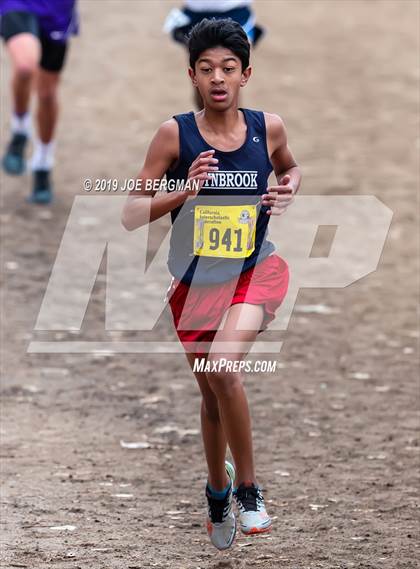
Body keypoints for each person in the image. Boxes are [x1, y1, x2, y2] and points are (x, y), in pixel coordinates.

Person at [122, 18, 301, 550]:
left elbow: (291, 169)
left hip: (255, 272)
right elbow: (132, 213)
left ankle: (248, 489)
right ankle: (217, 489)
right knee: (211, 395)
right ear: (192, 75)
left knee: (224, 368)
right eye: (206, 69)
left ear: (246, 73)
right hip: (195, 286)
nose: (217, 78)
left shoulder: (268, 127)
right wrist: (184, 191)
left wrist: (287, 189)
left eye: (228, 68)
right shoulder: (174, 133)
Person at [0, 0, 78, 204]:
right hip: (18, 4)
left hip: (57, 11)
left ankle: (42, 163)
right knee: (25, 67)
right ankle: (20, 130)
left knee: (46, 94)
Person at [164, 0, 264, 108]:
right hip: (195, 14)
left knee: (231, 86)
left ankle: (233, 123)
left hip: (236, 12)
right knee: (202, 90)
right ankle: (205, 123)